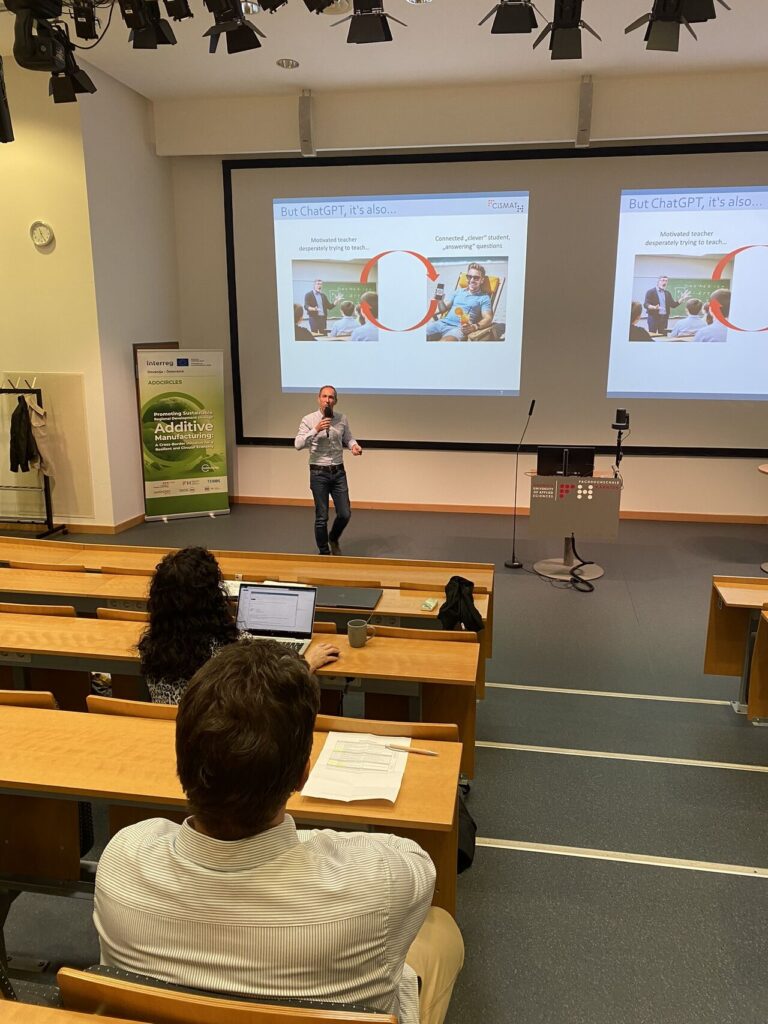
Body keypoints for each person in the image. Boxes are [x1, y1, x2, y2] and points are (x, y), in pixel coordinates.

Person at [94, 641, 464, 1024]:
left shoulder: (121, 859)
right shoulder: (379, 881)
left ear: (181, 763)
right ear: (303, 775)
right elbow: (415, 861)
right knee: (440, 932)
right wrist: (312, 842)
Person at [138, 546, 338, 703]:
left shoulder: (152, 648)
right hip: (219, 739)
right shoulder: (234, 651)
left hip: (166, 731)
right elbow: (274, 691)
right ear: (214, 597)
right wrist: (307, 663)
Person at [294, 385, 362, 555]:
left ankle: (333, 537)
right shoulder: (308, 419)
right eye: (324, 396)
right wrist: (316, 429)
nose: (327, 400)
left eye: (331, 397)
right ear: (319, 399)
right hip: (318, 473)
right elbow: (298, 444)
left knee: (345, 513)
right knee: (321, 516)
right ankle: (324, 553)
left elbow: (348, 438)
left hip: (338, 472)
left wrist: (354, 446)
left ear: (335, 401)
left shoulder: (342, 418)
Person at [427, 263, 493, 341]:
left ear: (482, 280)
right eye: (469, 277)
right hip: (441, 323)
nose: (472, 280)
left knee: (444, 342)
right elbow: (443, 309)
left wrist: (475, 326)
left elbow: (488, 318)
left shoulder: (484, 297)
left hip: (458, 329)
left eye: (476, 278)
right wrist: (440, 301)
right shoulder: (458, 292)